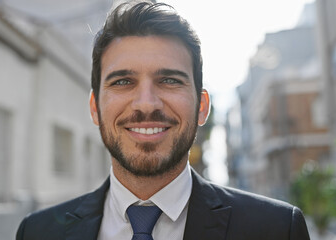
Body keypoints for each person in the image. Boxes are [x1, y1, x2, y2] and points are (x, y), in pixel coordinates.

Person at [16, 1, 310, 240]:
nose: (146, 104)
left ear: (202, 107)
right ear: (95, 108)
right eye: (122, 82)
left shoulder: (276, 229)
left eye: (169, 80)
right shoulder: (38, 233)